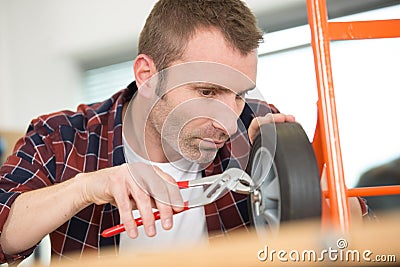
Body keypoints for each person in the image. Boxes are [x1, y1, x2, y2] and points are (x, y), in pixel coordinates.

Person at [0, 0, 363, 264]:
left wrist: (304, 185)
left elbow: (354, 234)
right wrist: (86, 188)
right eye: (206, 92)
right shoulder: (62, 136)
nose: (226, 119)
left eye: (238, 95)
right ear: (147, 76)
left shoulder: (256, 130)